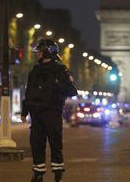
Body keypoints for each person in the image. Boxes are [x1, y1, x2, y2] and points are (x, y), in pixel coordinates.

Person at [21, 39, 78, 182]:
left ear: (46, 52)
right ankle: (38, 172)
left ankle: (58, 171)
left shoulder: (61, 70)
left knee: (55, 142)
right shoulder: (35, 70)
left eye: (39, 51)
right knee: (36, 143)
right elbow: (29, 92)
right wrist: (24, 110)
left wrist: (57, 83)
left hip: (53, 111)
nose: (37, 54)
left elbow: (72, 91)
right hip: (37, 112)